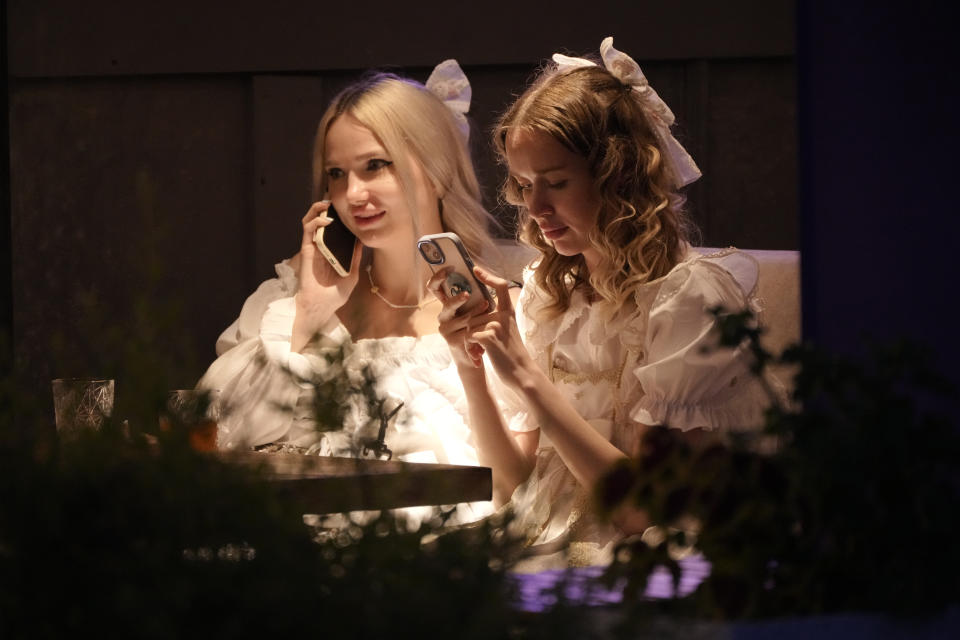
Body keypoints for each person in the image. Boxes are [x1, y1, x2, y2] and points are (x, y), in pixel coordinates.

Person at [432, 38, 775, 568]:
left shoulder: (688, 301)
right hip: (546, 537)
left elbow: (643, 510)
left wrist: (526, 374)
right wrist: (472, 362)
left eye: (557, 182)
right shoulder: (550, 295)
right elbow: (510, 482)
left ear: (617, 176)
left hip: (646, 551)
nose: (536, 206)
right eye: (524, 185)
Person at [198, 60, 501, 523]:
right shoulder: (294, 300)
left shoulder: (492, 305)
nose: (353, 194)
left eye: (375, 166)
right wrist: (308, 312)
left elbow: (509, 477)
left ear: (438, 172)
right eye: (336, 174)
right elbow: (218, 436)